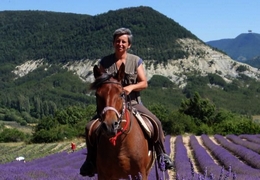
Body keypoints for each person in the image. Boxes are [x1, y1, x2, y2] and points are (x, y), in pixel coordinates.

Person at [80, 27, 174, 177]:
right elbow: (100, 83)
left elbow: (144, 83)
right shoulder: (105, 62)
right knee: (89, 128)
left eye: (123, 41)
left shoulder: (136, 61)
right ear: (113, 43)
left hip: (133, 102)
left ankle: (162, 154)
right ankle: (90, 160)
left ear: (129, 45)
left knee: (156, 122)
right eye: (117, 41)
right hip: (111, 105)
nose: (120, 44)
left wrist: (131, 87)